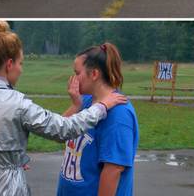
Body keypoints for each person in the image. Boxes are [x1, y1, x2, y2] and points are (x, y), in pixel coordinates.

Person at [0, 21, 128, 196]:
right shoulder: (17, 103)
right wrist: (102, 107)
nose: (21, 69)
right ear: (9, 64)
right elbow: (63, 129)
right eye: (20, 63)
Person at [57, 43, 139, 196]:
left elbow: (113, 170)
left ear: (94, 74)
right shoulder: (86, 102)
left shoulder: (119, 114)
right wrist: (76, 105)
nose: (73, 78)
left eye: (77, 72)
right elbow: (59, 131)